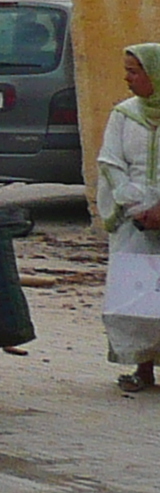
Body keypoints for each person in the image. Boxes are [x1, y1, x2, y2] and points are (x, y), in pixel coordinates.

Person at [94, 43, 160, 392]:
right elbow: (111, 163)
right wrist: (136, 207)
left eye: (134, 71)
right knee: (137, 298)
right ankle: (142, 368)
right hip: (133, 223)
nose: (127, 78)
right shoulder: (123, 115)